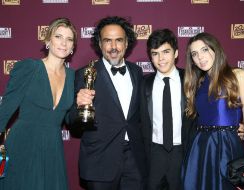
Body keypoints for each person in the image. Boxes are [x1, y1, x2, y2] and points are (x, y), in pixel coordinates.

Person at [69, 16, 147, 190]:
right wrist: (78, 105)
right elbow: (70, 119)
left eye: (119, 40)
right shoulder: (84, 74)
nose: (113, 47)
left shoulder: (137, 71)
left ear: (127, 43)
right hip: (100, 161)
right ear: (99, 43)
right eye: (107, 41)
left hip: (134, 161)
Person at [0, 17, 77, 190]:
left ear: (73, 47)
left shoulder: (73, 77)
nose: (63, 43)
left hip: (53, 147)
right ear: (48, 40)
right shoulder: (29, 68)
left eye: (69, 39)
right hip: (22, 144)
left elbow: (71, 119)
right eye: (58, 36)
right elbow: (4, 111)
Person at [181, 32, 244, 190]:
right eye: (194, 54)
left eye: (204, 50)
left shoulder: (238, 75)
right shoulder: (197, 84)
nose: (200, 57)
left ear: (215, 49)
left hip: (226, 147)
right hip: (200, 149)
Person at [140, 29, 196, 190]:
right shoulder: (144, 84)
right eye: (155, 53)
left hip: (183, 152)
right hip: (154, 152)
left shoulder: (191, 80)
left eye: (166, 52)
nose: (161, 58)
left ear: (176, 53)